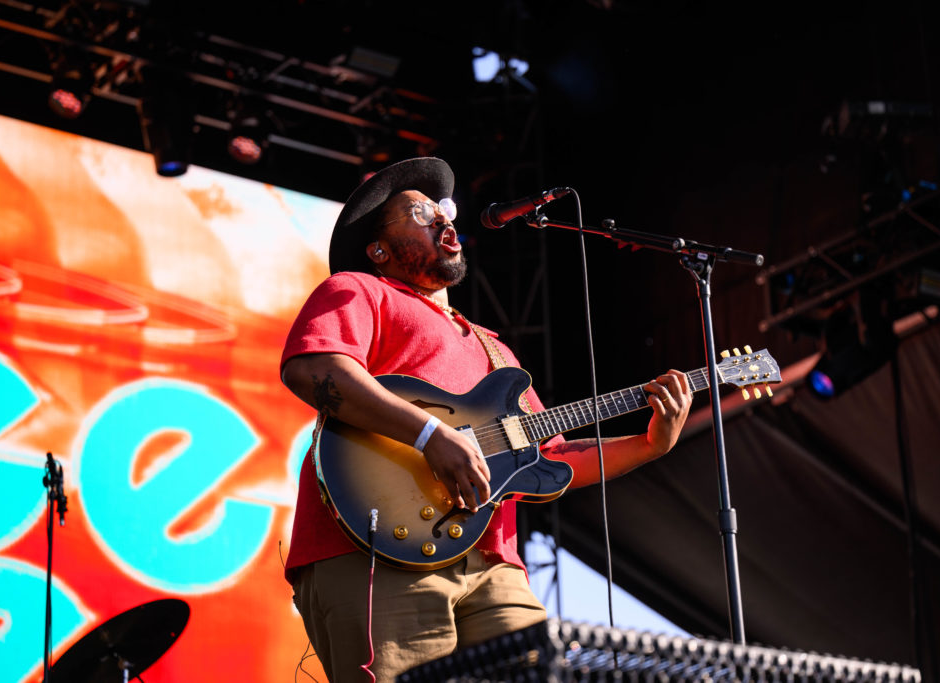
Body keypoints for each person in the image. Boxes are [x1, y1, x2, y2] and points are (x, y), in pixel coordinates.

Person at [280, 157, 692, 682]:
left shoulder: (497, 352)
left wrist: (648, 444)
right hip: (378, 546)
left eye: (443, 210)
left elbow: (550, 458)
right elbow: (314, 368)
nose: (442, 219)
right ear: (379, 250)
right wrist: (431, 435)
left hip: (493, 562)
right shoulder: (361, 291)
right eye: (420, 213)